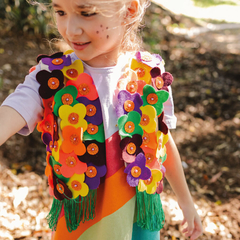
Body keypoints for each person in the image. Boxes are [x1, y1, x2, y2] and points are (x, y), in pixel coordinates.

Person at [0, 0, 203, 239]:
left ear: (129, 10)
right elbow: (13, 110)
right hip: (83, 226)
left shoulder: (150, 75)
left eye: (86, 13)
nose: (70, 29)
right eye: (60, 12)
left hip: (138, 223)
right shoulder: (49, 79)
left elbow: (162, 142)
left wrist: (186, 202)